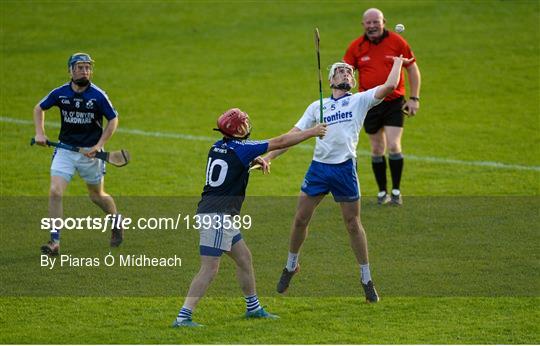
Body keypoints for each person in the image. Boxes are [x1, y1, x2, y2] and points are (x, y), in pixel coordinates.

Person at [262, 56, 411, 303]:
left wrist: (398, 62)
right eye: (340, 72)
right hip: (319, 169)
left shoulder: (359, 100)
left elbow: (389, 86)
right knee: (300, 219)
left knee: (353, 224)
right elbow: (293, 135)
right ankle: (291, 266)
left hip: (344, 170)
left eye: (348, 72)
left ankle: (366, 278)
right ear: (330, 79)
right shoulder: (316, 106)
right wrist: (269, 158)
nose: (345, 74)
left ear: (352, 81)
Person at [172, 108, 327, 327]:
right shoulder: (242, 149)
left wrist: (255, 159)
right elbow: (281, 141)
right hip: (218, 216)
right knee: (209, 268)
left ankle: (253, 307)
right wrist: (312, 132)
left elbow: (236, 159)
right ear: (240, 130)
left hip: (215, 213)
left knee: (244, 257)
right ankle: (183, 317)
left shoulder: (217, 147)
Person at [33, 52, 124, 255]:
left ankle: (116, 221)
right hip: (65, 150)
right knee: (55, 191)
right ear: (71, 70)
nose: (85, 71)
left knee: (96, 195)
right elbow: (39, 108)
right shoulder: (61, 93)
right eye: (81, 67)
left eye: (88, 67)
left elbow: (113, 119)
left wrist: (99, 145)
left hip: (90, 154)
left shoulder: (98, 96)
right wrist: (40, 132)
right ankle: (54, 242)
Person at [343, 8, 422, 205]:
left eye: (375, 22)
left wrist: (414, 98)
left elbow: (412, 68)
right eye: (368, 23)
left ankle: (396, 191)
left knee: (394, 145)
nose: (372, 26)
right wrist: (346, 99)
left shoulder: (398, 42)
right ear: (363, 25)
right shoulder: (356, 47)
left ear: (383, 22)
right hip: (369, 104)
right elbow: (345, 73)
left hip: (394, 101)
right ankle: (382, 192)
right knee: (377, 148)